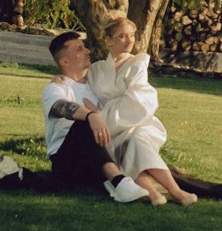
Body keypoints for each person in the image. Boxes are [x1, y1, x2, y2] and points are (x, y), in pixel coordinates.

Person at [87, 14, 222, 206]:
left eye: (132, 35)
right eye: (122, 36)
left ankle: (176, 192)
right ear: (108, 41)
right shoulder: (95, 70)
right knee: (133, 148)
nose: (129, 41)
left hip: (134, 122)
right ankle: (166, 193)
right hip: (108, 131)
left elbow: (137, 101)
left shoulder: (137, 63)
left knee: (136, 139)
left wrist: (103, 113)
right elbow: (85, 95)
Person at [37, 29, 152, 202]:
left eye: (84, 47)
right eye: (79, 49)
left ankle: (202, 189)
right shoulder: (56, 88)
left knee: (149, 162)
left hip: (100, 156)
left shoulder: (96, 86)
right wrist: (91, 115)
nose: (88, 51)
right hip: (68, 161)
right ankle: (119, 183)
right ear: (65, 61)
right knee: (84, 124)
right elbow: (59, 106)